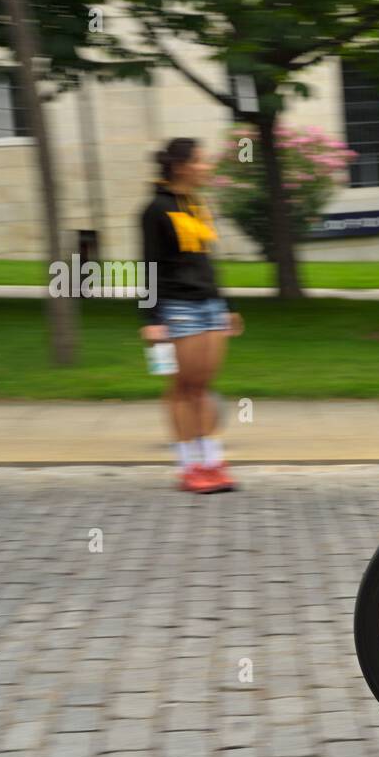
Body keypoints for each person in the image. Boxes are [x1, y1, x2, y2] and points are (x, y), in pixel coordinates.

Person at [139, 138, 242, 494]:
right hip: (178, 308)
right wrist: (150, 318)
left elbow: (206, 262)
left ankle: (212, 460)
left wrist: (225, 307)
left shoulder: (197, 204)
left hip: (209, 305)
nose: (207, 166)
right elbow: (148, 267)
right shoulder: (155, 209)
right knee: (182, 389)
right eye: (201, 161)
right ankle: (188, 466)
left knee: (203, 389)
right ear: (181, 166)